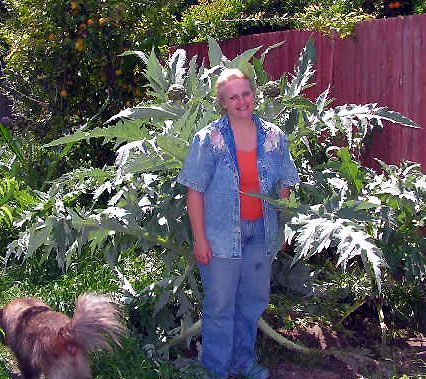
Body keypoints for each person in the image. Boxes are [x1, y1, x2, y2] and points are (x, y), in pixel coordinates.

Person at [177, 68, 300, 379]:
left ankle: (243, 364)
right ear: (223, 102)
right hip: (220, 237)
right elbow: (195, 192)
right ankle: (216, 370)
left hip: (261, 233)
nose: (242, 101)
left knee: (252, 302)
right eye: (234, 96)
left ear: (254, 95)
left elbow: (285, 182)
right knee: (220, 306)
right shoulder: (210, 139)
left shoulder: (274, 136)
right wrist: (200, 239)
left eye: (246, 93)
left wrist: (281, 226)